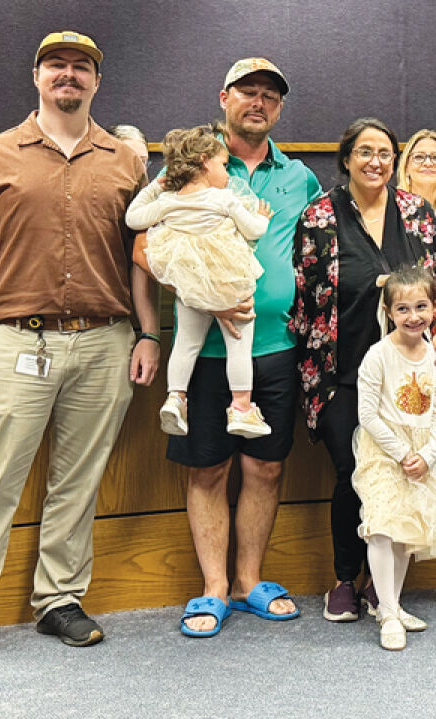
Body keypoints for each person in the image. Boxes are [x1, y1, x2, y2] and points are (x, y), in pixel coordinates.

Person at [0, 31, 160, 670]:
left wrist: (149, 332)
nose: (67, 75)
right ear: (37, 76)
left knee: (78, 482)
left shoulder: (127, 162)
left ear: (96, 82)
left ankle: (59, 600)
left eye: (81, 67)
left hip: (105, 342)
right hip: (22, 340)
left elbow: (142, 261)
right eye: (57, 65)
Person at [134, 58, 321, 637]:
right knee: (208, 470)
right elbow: (142, 247)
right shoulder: (188, 165)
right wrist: (207, 296)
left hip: (276, 347)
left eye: (269, 95)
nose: (258, 102)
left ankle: (247, 582)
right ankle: (213, 589)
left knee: (264, 469)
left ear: (280, 108)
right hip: (206, 353)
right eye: (248, 92)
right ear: (224, 98)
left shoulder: (300, 177)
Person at [292, 117, 436, 624]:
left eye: (385, 153)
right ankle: (345, 579)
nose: (375, 162)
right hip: (340, 372)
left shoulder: (417, 214)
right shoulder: (320, 216)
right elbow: (304, 297)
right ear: (346, 159)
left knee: (403, 473)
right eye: (365, 152)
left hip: (408, 375)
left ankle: (379, 586)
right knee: (354, 475)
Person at [127, 125, 274, 442]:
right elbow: (253, 232)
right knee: (239, 345)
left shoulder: (168, 201)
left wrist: (155, 187)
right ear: (205, 162)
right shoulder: (224, 198)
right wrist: (263, 216)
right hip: (227, 281)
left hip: (190, 283)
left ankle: (176, 397)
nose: (226, 172)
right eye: (223, 164)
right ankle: (241, 407)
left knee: (185, 343)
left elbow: (133, 219)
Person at [352, 266, 436, 650]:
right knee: (382, 527)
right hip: (384, 450)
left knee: (404, 534)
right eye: (403, 309)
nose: (413, 316)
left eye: (421, 307)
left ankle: (393, 604)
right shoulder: (378, 356)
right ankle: (386, 614)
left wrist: (427, 454)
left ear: (435, 309)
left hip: (421, 454)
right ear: (389, 313)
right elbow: (367, 415)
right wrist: (402, 453)